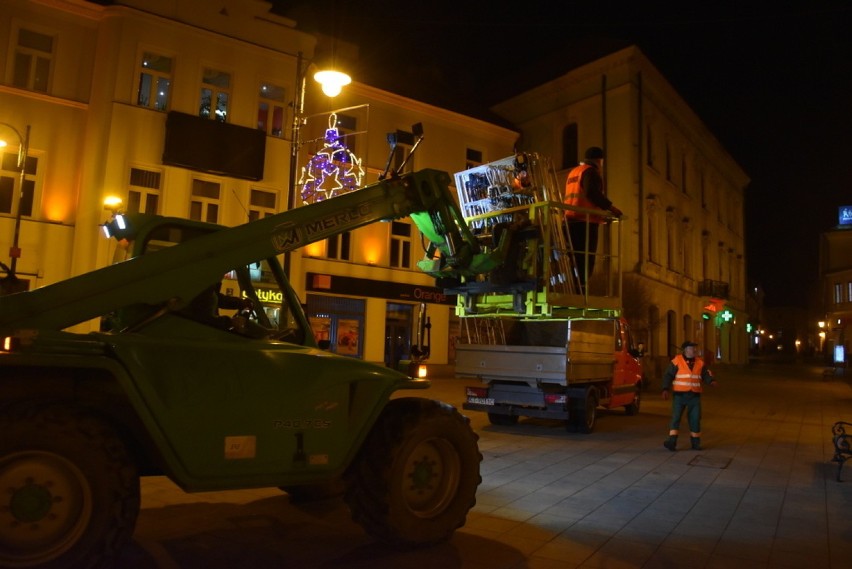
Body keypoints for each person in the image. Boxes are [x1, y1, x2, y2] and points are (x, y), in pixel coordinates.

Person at [563, 146, 623, 288]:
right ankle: (581, 290)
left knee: (574, 258)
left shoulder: (574, 172)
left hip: (570, 221)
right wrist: (610, 208)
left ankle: (573, 288)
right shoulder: (591, 172)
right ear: (599, 160)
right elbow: (592, 193)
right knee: (586, 259)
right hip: (585, 222)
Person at [661, 341, 718, 451]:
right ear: (686, 350)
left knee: (695, 419)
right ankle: (672, 442)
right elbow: (668, 375)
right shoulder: (676, 361)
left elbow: (706, 374)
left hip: (694, 396)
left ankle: (695, 443)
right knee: (676, 418)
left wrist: (711, 381)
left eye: (695, 348)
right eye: (692, 348)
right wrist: (665, 389)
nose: (695, 350)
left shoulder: (700, 363)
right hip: (679, 396)